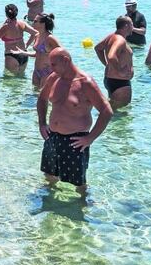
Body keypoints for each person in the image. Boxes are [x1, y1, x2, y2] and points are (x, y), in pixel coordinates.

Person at [36, 48, 113, 194]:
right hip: (52, 136)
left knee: (79, 183)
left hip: (75, 140)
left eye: (54, 64)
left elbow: (106, 111)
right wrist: (42, 124)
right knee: (49, 176)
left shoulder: (85, 83)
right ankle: (50, 205)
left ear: (66, 60)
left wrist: (90, 138)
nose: (50, 68)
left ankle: (81, 208)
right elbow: (42, 99)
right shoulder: (54, 78)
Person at [94, 16, 134, 108]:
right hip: (120, 82)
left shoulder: (111, 37)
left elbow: (98, 48)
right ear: (126, 26)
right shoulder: (120, 40)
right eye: (132, 24)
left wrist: (106, 64)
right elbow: (111, 56)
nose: (133, 27)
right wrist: (119, 71)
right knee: (121, 115)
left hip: (110, 80)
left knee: (114, 111)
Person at [0, 4, 38, 75]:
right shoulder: (22, 23)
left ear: (6, 14)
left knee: (9, 81)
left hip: (11, 55)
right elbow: (36, 33)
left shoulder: (6, 26)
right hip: (24, 53)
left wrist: (3, 25)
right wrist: (27, 45)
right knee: (20, 78)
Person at [30, 13, 60, 89]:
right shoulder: (37, 36)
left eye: (35, 21)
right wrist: (22, 53)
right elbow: (38, 54)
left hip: (47, 72)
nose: (33, 23)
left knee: (44, 98)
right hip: (36, 71)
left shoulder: (50, 38)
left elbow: (62, 54)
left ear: (43, 24)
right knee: (35, 94)